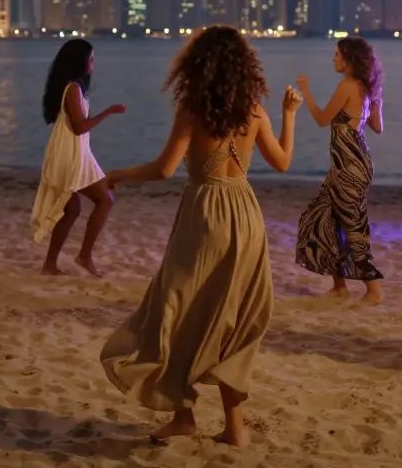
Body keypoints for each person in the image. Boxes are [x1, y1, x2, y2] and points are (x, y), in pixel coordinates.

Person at [100, 26, 301, 448]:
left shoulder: (193, 109)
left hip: (205, 216)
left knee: (178, 310)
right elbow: (282, 162)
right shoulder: (255, 111)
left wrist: (119, 174)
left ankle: (183, 416)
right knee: (231, 318)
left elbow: (164, 169)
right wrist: (290, 115)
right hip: (245, 217)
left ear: (198, 65)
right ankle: (235, 427)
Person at [295, 36, 385, 303]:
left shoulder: (347, 85)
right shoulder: (365, 89)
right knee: (323, 219)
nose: (333, 59)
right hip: (351, 162)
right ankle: (340, 287)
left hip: (349, 166)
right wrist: (374, 100)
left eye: (337, 54)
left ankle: (373, 291)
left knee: (352, 224)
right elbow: (378, 127)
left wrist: (306, 92)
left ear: (348, 59)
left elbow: (323, 119)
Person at [30, 38, 125, 277]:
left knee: (71, 210)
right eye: (90, 58)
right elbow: (81, 127)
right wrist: (109, 112)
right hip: (69, 155)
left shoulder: (75, 88)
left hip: (76, 152)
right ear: (79, 61)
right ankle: (83, 256)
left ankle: (49, 265)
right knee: (105, 200)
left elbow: (80, 134)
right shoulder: (72, 88)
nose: (93, 63)